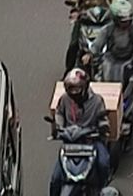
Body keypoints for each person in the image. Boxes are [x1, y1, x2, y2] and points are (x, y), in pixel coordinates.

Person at [92, 0, 133, 141]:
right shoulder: (107, 30)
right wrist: (90, 54)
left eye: (128, 20)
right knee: (94, 92)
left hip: (129, 65)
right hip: (110, 63)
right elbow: (96, 45)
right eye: (122, 20)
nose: (125, 23)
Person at [49, 68, 111, 196]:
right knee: (55, 179)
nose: (74, 92)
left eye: (76, 89)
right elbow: (59, 114)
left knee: (103, 163)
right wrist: (58, 127)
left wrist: (103, 127)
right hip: (70, 143)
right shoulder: (65, 99)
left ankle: (102, 188)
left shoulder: (97, 101)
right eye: (71, 89)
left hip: (91, 141)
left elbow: (103, 119)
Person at [65, 0, 117, 69]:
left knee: (115, 41)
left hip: (103, 17)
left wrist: (117, 8)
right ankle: (69, 69)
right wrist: (75, 11)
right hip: (85, 17)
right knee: (74, 43)